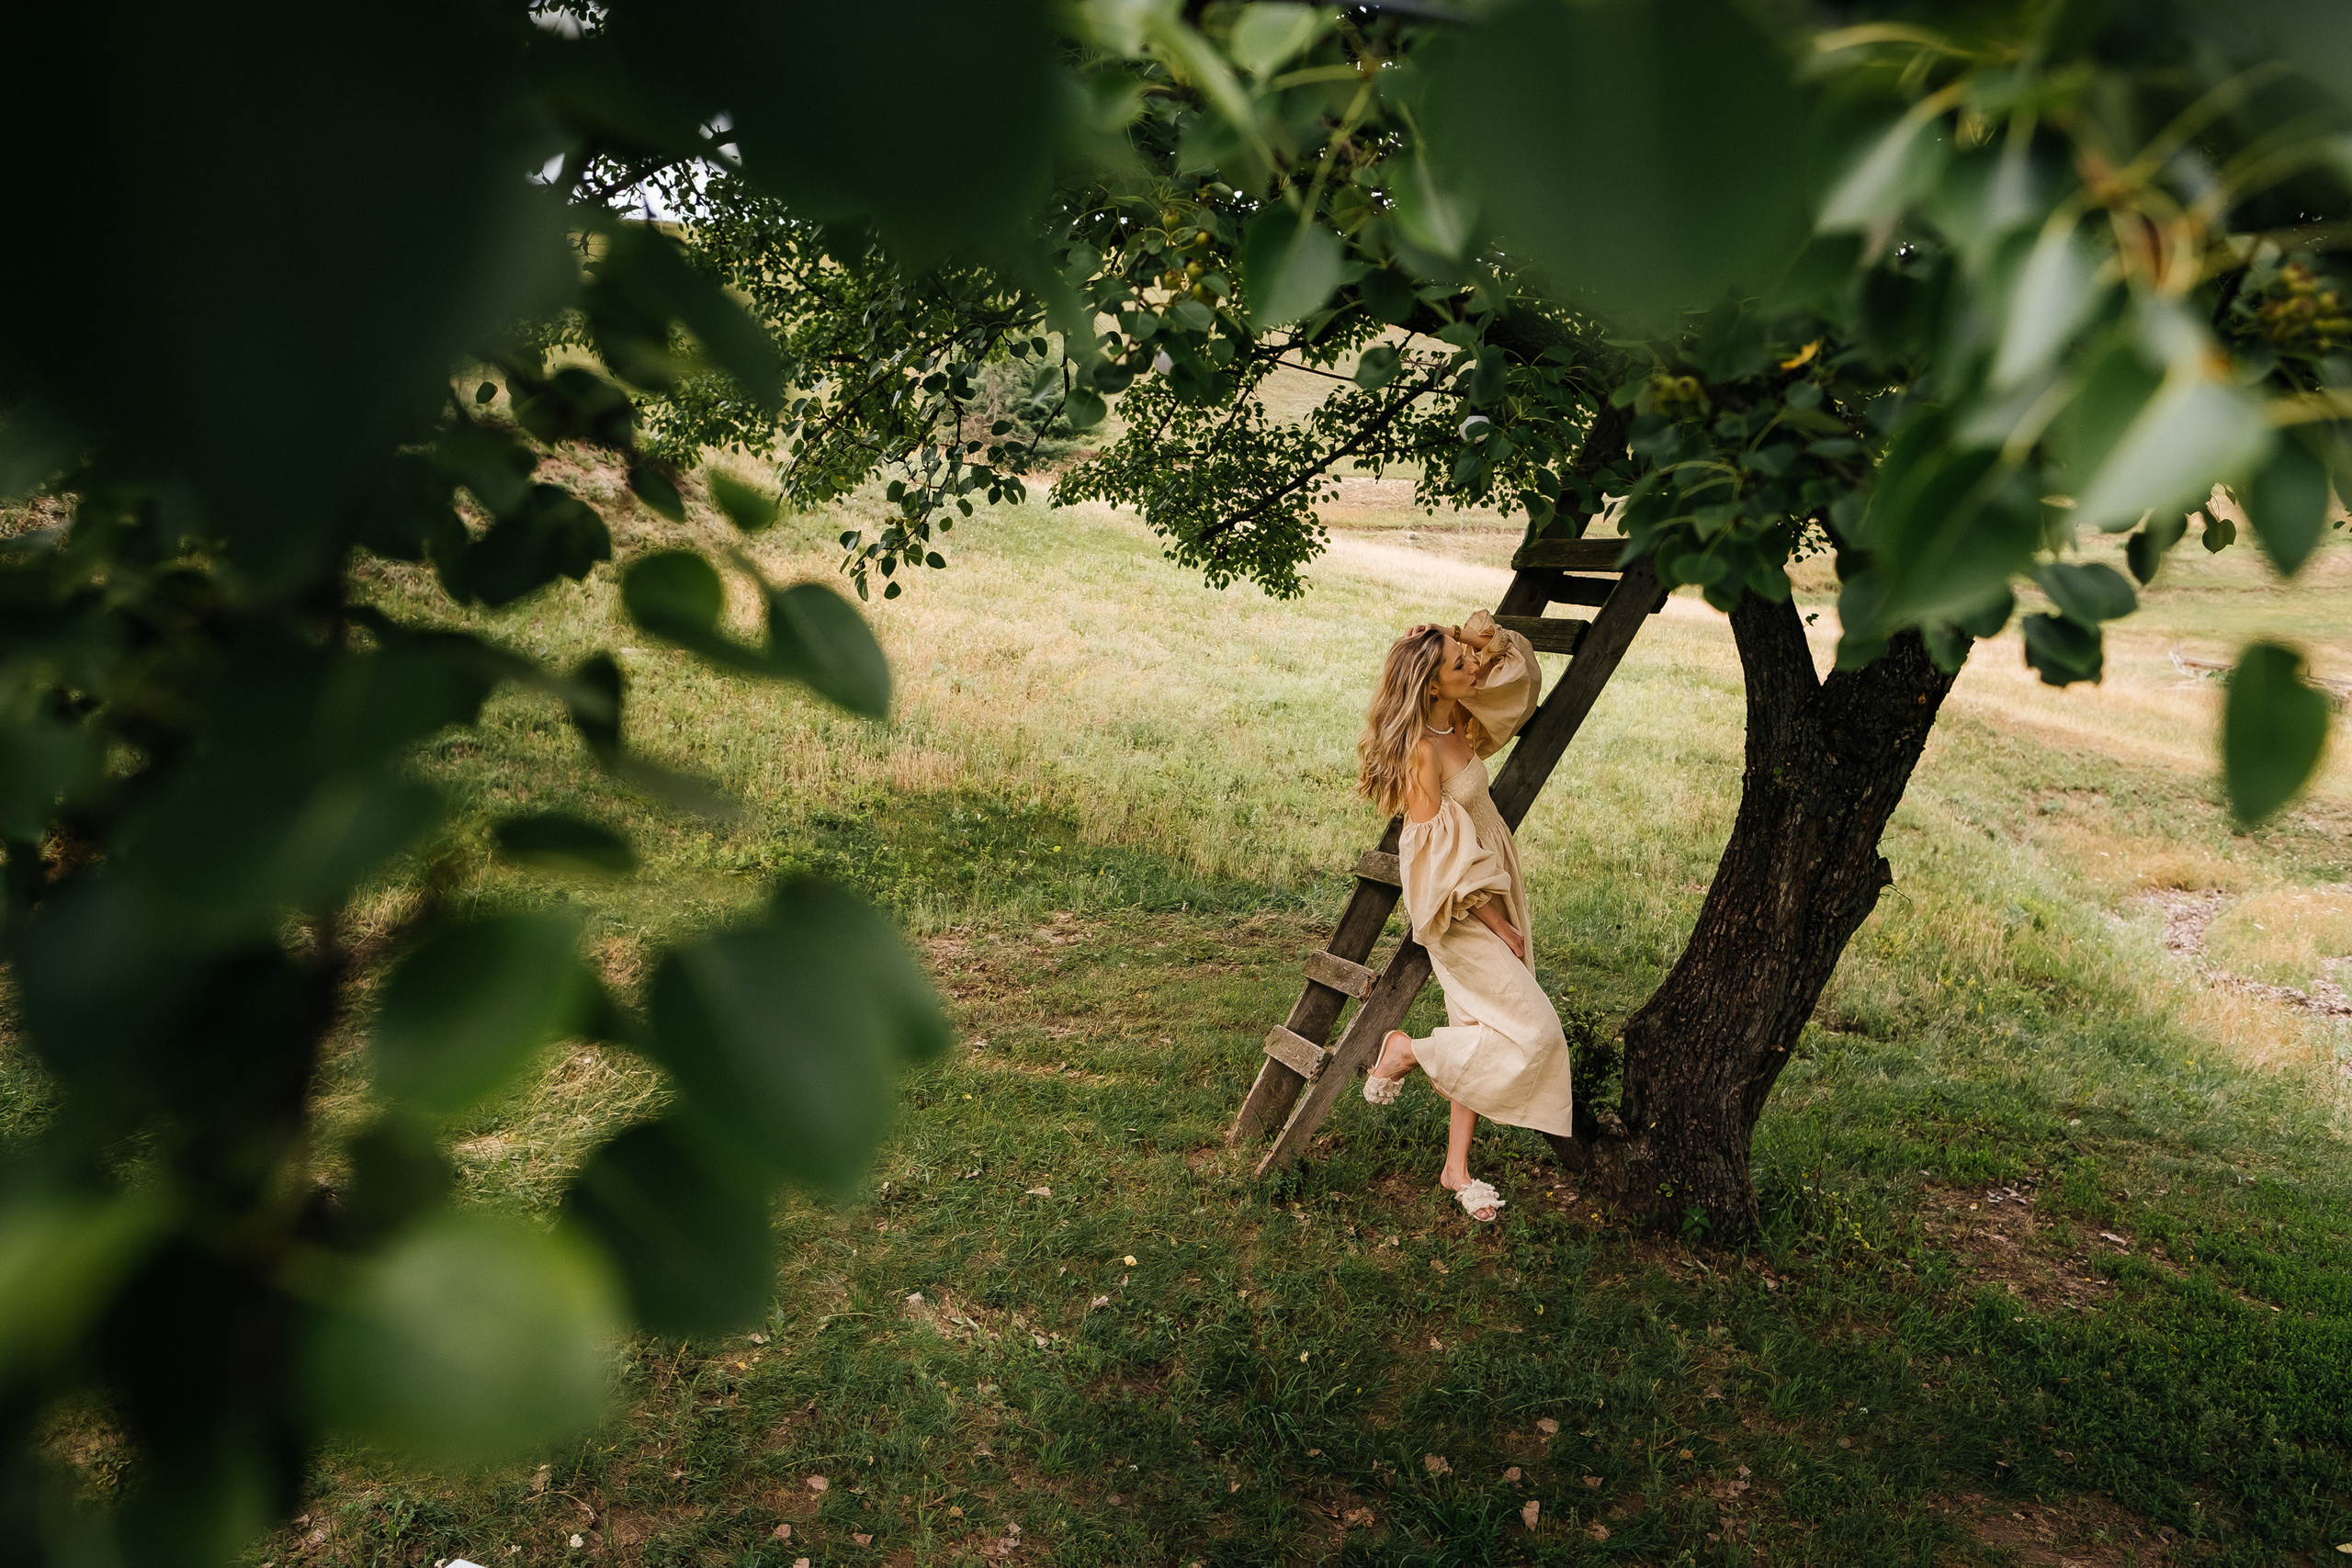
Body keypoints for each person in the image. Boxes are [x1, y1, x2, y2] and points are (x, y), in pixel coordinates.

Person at [1353, 608, 1575, 1222]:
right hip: (1462, 910)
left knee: (1478, 1030)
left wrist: (1472, 635)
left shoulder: (1460, 722)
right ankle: (1407, 1050)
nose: (1474, 665)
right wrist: (1494, 920)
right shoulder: (1424, 752)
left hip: (1492, 885)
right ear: (1432, 684)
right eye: (1460, 662)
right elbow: (1432, 859)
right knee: (1535, 1035)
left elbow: (1518, 675)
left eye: (1468, 656)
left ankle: (1456, 1168)